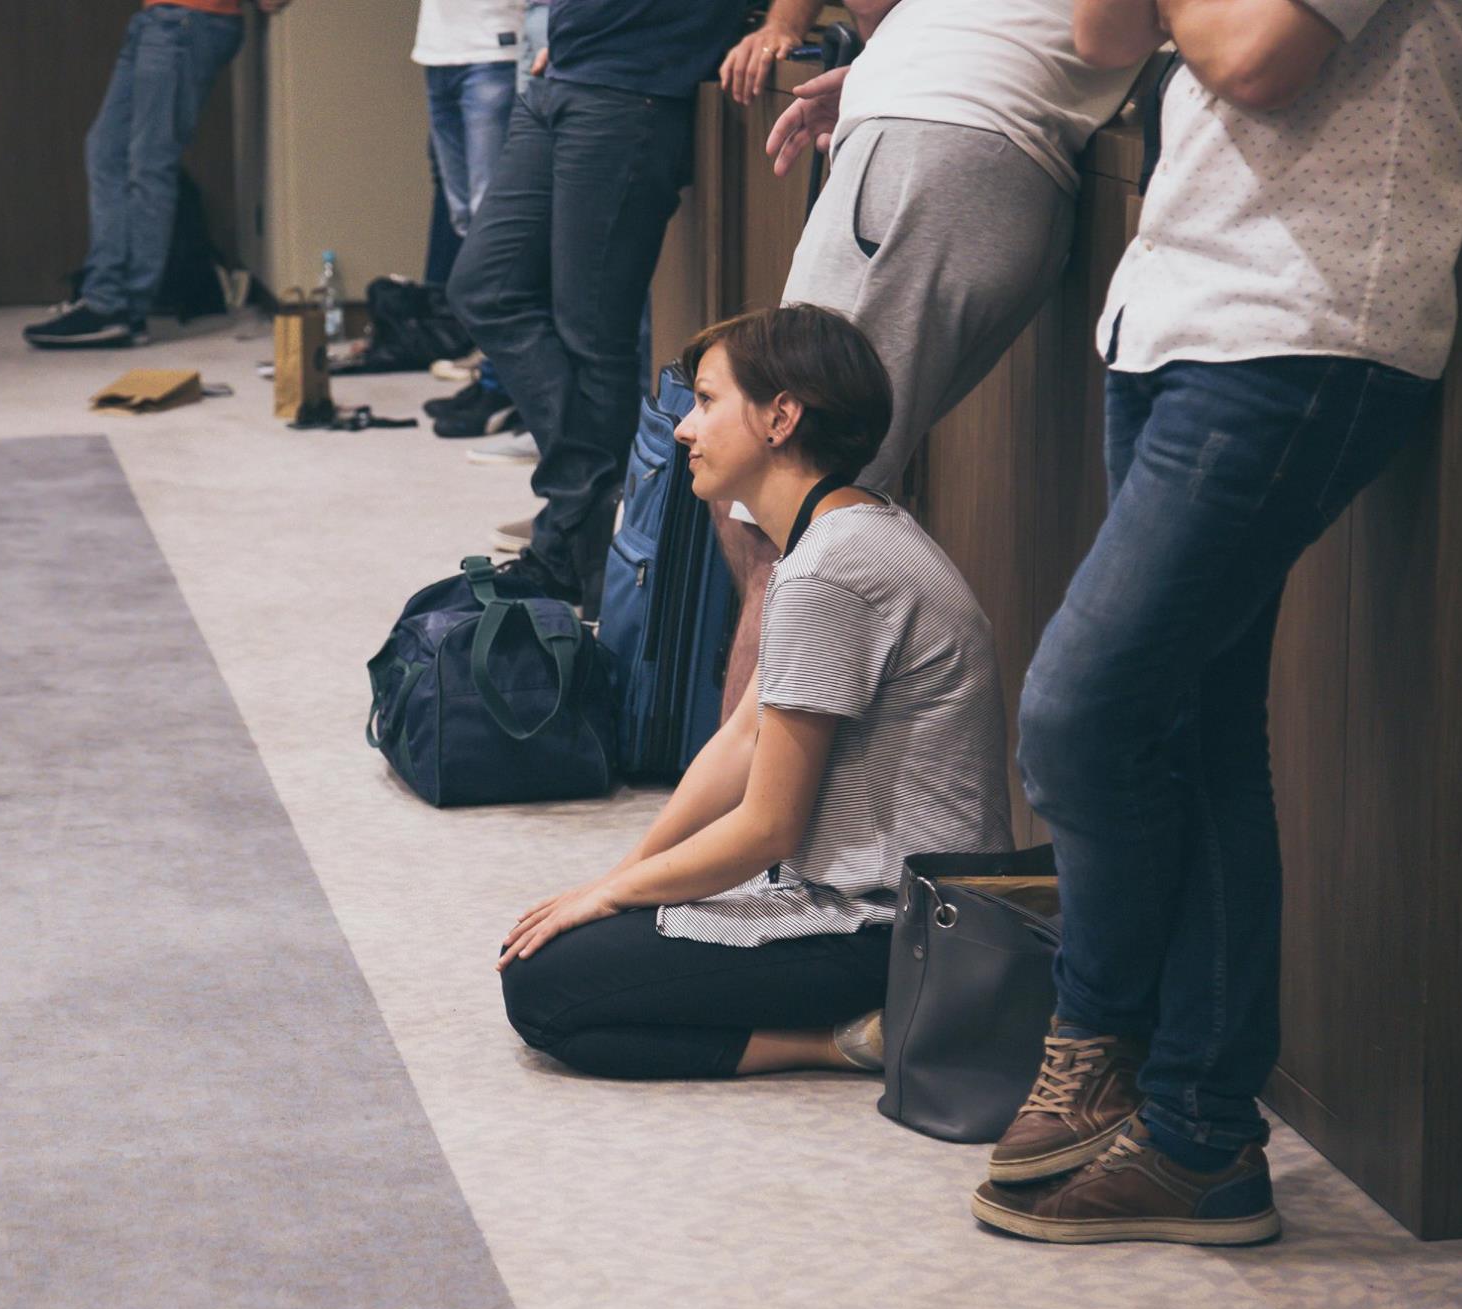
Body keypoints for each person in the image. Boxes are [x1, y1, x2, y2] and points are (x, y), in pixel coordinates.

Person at [971, 0, 1462, 1246]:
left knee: (1078, 713)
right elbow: (1103, 38)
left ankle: (1095, 1036)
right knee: (1196, 733)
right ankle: (1198, 1139)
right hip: (1174, 314)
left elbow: (1253, 58)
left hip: (1303, 325)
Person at [498, 305, 1012, 1081]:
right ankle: (854, 1027)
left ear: (781, 417)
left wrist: (616, 894)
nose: (683, 429)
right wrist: (616, 882)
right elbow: (743, 738)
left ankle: (846, 1040)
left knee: (544, 989)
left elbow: (769, 827)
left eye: (706, 401)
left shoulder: (829, 573)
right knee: (571, 942)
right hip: (900, 911)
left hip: (895, 930)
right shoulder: (840, 535)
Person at [709, 0, 1148, 709]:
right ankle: (791, 776)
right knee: (792, 490)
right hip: (958, 126)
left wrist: (902, 70)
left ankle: (749, 785)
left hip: (940, 129)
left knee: (779, 493)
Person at [447, 0, 749, 617]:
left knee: (592, 335)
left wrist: (786, 21)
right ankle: (584, 509)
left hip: (634, 85)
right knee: (484, 288)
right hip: (562, 68)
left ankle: (573, 552)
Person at [26, 0, 292, 350]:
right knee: (105, 151)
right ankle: (107, 298)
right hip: (156, 20)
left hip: (188, 20)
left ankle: (120, 307)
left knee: (150, 162)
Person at [412, 0, 522, 440]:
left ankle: (505, 387)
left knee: (492, 229)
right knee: (464, 223)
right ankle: (490, 374)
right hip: (437, 50)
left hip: (493, 47)